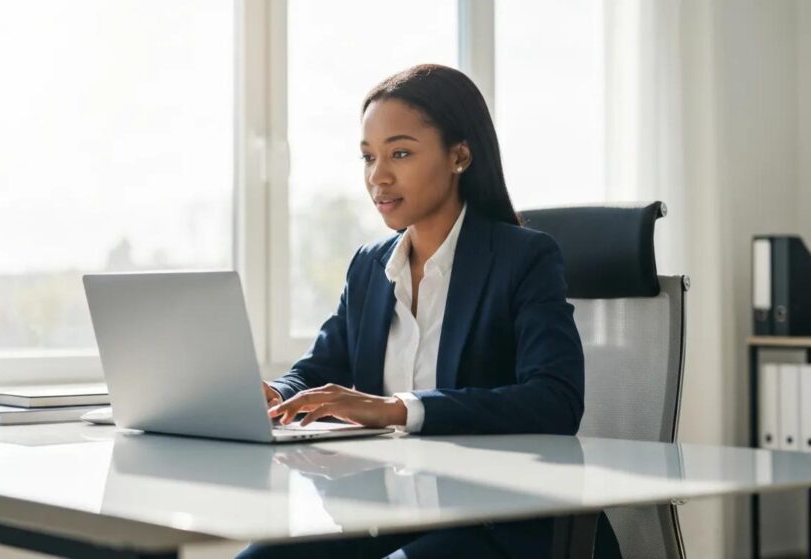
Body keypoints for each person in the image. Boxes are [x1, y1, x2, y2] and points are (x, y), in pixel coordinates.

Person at [239, 64, 619, 558]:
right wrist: (276, 396)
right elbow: (320, 369)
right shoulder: (370, 267)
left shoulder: (523, 258)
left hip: (500, 523)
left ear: (459, 155)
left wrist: (399, 409)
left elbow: (554, 401)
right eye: (368, 157)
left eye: (400, 153)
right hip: (392, 516)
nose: (379, 176)